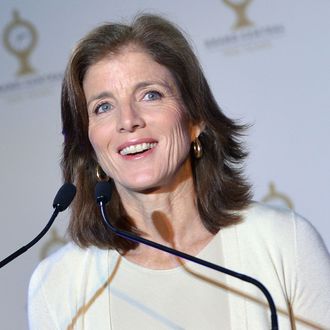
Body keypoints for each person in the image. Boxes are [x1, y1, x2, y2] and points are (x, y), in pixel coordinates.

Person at [28, 14, 330, 329]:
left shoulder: (283, 243)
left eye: (150, 95)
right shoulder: (58, 284)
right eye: (103, 106)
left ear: (195, 119)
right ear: (89, 143)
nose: (128, 120)